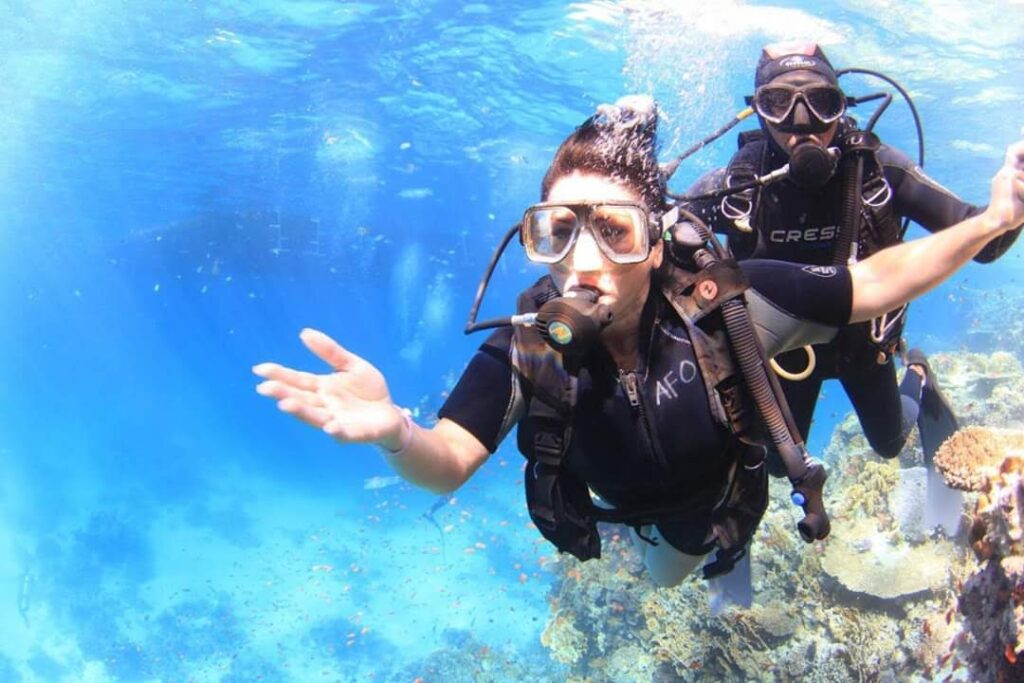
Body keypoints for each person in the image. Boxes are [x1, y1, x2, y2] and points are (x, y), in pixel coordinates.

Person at [253, 96, 1024, 601]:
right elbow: (448, 459)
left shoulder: (729, 302)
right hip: (630, 512)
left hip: (722, 501)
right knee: (659, 582)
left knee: (681, 568)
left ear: (656, 245)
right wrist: (397, 434)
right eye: (556, 232)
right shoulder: (531, 347)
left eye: (613, 230)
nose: (581, 260)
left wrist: (991, 221)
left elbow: (878, 280)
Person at [683, 42, 1023, 534]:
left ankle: (919, 375)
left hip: (863, 344)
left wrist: (1012, 200)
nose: (802, 122)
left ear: (843, 107)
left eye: (821, 102)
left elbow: (984, 240)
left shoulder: (877, 170)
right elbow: (662, 239)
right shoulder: (738, 185)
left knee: (888, 442)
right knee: (778, 464)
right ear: (757, 111)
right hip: (784, 360)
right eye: (779, 103)